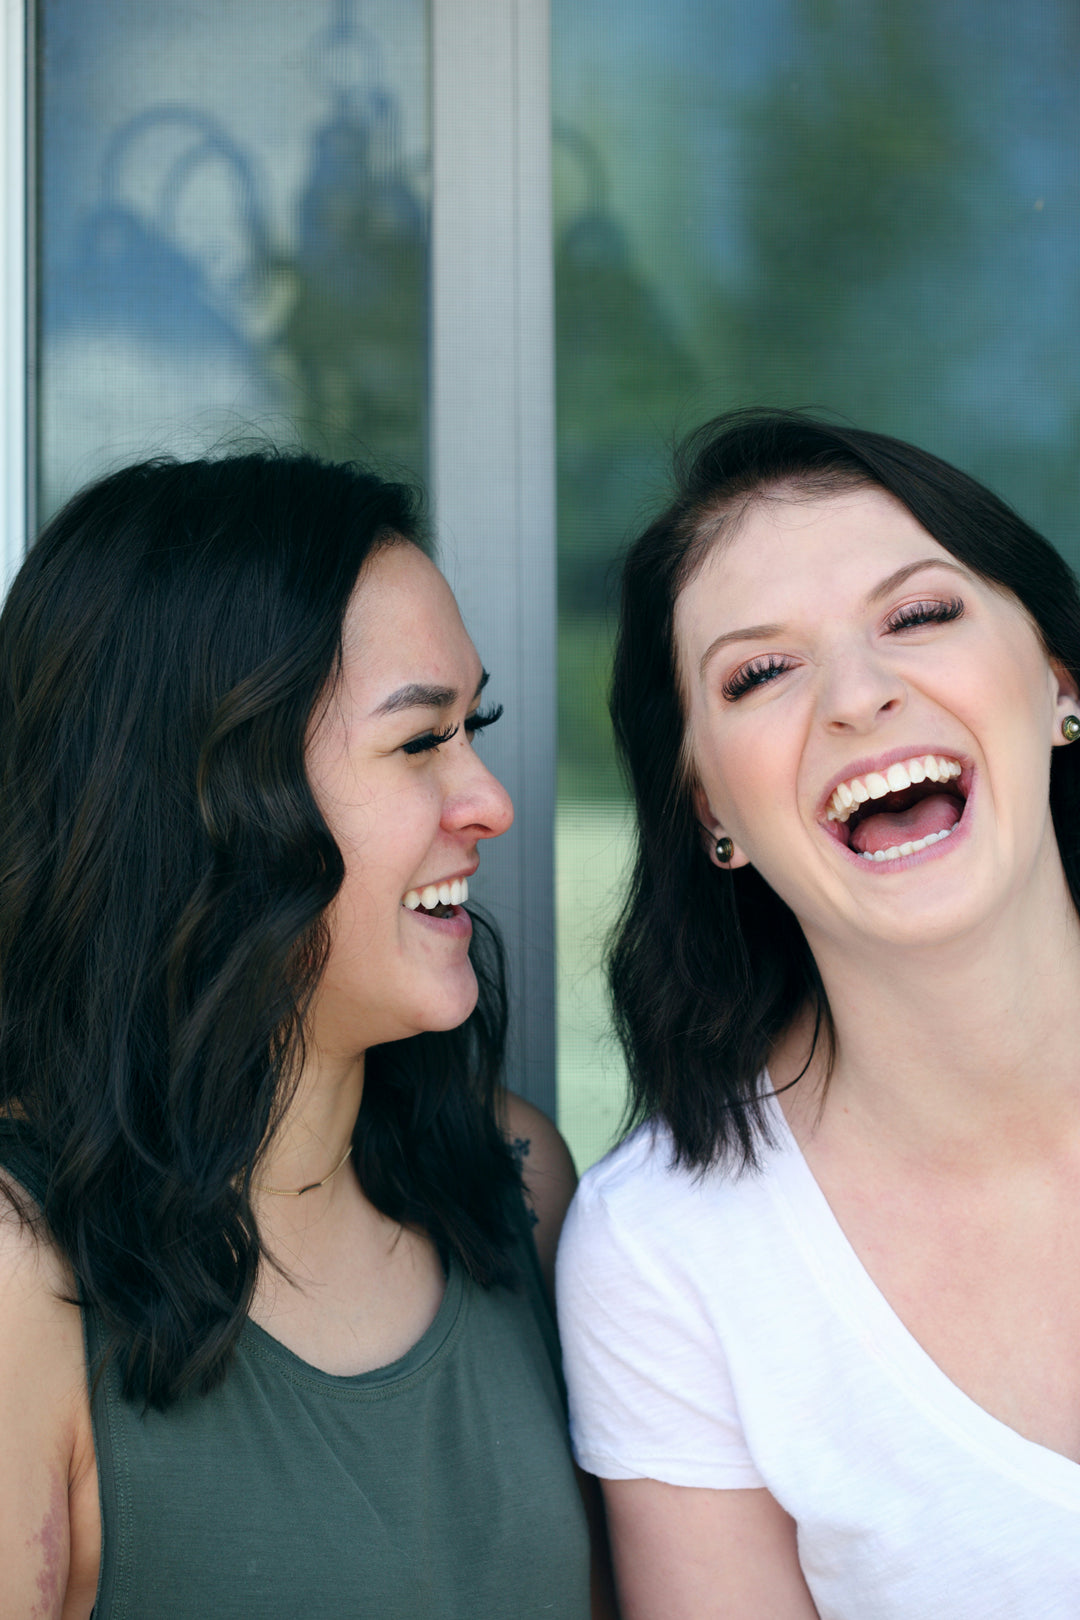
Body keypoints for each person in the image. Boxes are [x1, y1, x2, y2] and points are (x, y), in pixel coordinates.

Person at [0, 451, 601, 1618]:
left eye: (471, 726)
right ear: (202, 800)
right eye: (421, 740)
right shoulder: (20, 1267)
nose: (491, 801)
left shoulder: (515, 1177)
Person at [556, 407, 1080, 1619]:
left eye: (918, 614)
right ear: (708, 813)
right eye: (760, 672)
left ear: (1058, 680)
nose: (858, 694)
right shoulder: (666, 1255)